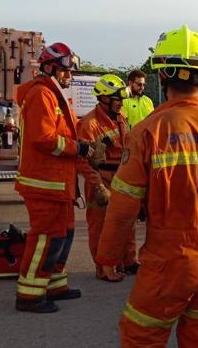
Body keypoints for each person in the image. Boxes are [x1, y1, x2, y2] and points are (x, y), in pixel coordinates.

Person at [96, 25, 198, 347]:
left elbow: (124, 207)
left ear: (161, 76)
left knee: (140, 338)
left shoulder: (148, 132)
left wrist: (108, 255)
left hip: (167, 264)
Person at [14, 42, 94, 313]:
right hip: (44, 182)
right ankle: (30, 295)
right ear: (49, 67)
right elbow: (44, 139)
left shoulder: (54, 95)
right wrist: (78, 148)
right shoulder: (41, 95)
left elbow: (64, 135)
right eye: (65, 71)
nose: (68, 77)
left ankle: (54, 285)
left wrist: (81, 145)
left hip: (59, 182)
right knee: (46, 237)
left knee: (64, 234)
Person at [77, 74, 139, 282]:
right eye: (117, 98)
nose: (120, 103)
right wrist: (97, 187)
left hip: (120, 176)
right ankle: (103, 267)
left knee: (126, 221)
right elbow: (82, 161)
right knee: (101, 225)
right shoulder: (90, 123)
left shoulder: (120, 118)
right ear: (104, 98)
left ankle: (128, 262)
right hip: (100, 178)